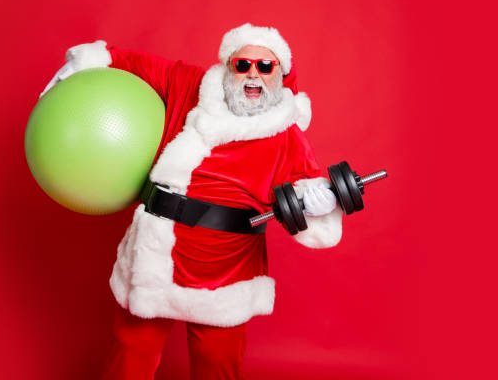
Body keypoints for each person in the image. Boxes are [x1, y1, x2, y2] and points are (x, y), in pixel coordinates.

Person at [42, 23, 343, 380]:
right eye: (243, 65)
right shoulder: (190, 84)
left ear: (281, 73)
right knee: (131, 352)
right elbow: (133, 63)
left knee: (217, 364)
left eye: (266, 67)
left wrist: (319, 202)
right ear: (228, 64)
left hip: (226, 267)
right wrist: (86, 61)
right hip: (157, 252)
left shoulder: (287, 133)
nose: (253, 75)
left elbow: (304, 189)